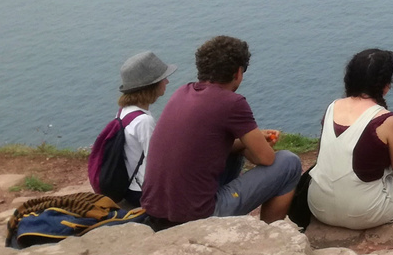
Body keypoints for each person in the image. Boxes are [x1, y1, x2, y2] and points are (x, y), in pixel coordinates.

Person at [140, 35, 301, 229]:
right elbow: (266, 159)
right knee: (289, 162)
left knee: (234, 153)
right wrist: (256, 141)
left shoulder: (182, 92)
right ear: (238, 73)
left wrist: (245, 141)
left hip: (157, 213)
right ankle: (267, 236)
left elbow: (208, 143)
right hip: (200, 216)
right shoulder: (233, 103)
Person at [305, 49, 393, 230]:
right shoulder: (386, 119)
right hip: (363, 213)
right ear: (385, 85)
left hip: (318, 206)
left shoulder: (332, 107)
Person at [114, 50, 178, 206]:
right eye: (163, 78)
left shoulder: (124, 112)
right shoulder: (144, 121)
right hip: (142, 193)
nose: (167, 82)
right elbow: (156, 163)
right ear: (151, 86)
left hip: (129, 186)